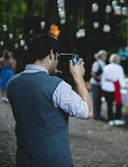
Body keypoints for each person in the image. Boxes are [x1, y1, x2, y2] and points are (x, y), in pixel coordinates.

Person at [6, 34, 93, 167]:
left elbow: (35, 92)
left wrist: (47, 74)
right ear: (52, 54)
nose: (57, 61)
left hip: (24, 160)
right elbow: (87, 112)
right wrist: (78, 77)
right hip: (55, 161)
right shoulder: (57, 85)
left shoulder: (12, 83)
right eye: (57, 57)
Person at [101, 53, 126, 126]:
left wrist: (103, 86)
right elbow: (121, 79)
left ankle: (110, 119)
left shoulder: (106, 67)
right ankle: (118, 118)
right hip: (115, 87)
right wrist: (124, 86)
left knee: (109, 104)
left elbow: (103, 78)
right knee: (118, 104)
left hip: (107, 87)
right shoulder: (119, 67)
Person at [90, 49, 107, 120]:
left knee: (99, 100)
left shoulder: (103, 63)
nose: (106, 57)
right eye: (105, 55)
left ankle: (98, 114)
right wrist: (99, 79)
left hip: (100, 84)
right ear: (101, 56)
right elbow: (93, 73)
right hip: (95, 84)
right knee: (96, 99)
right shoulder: (96, 64)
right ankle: (96, 115)